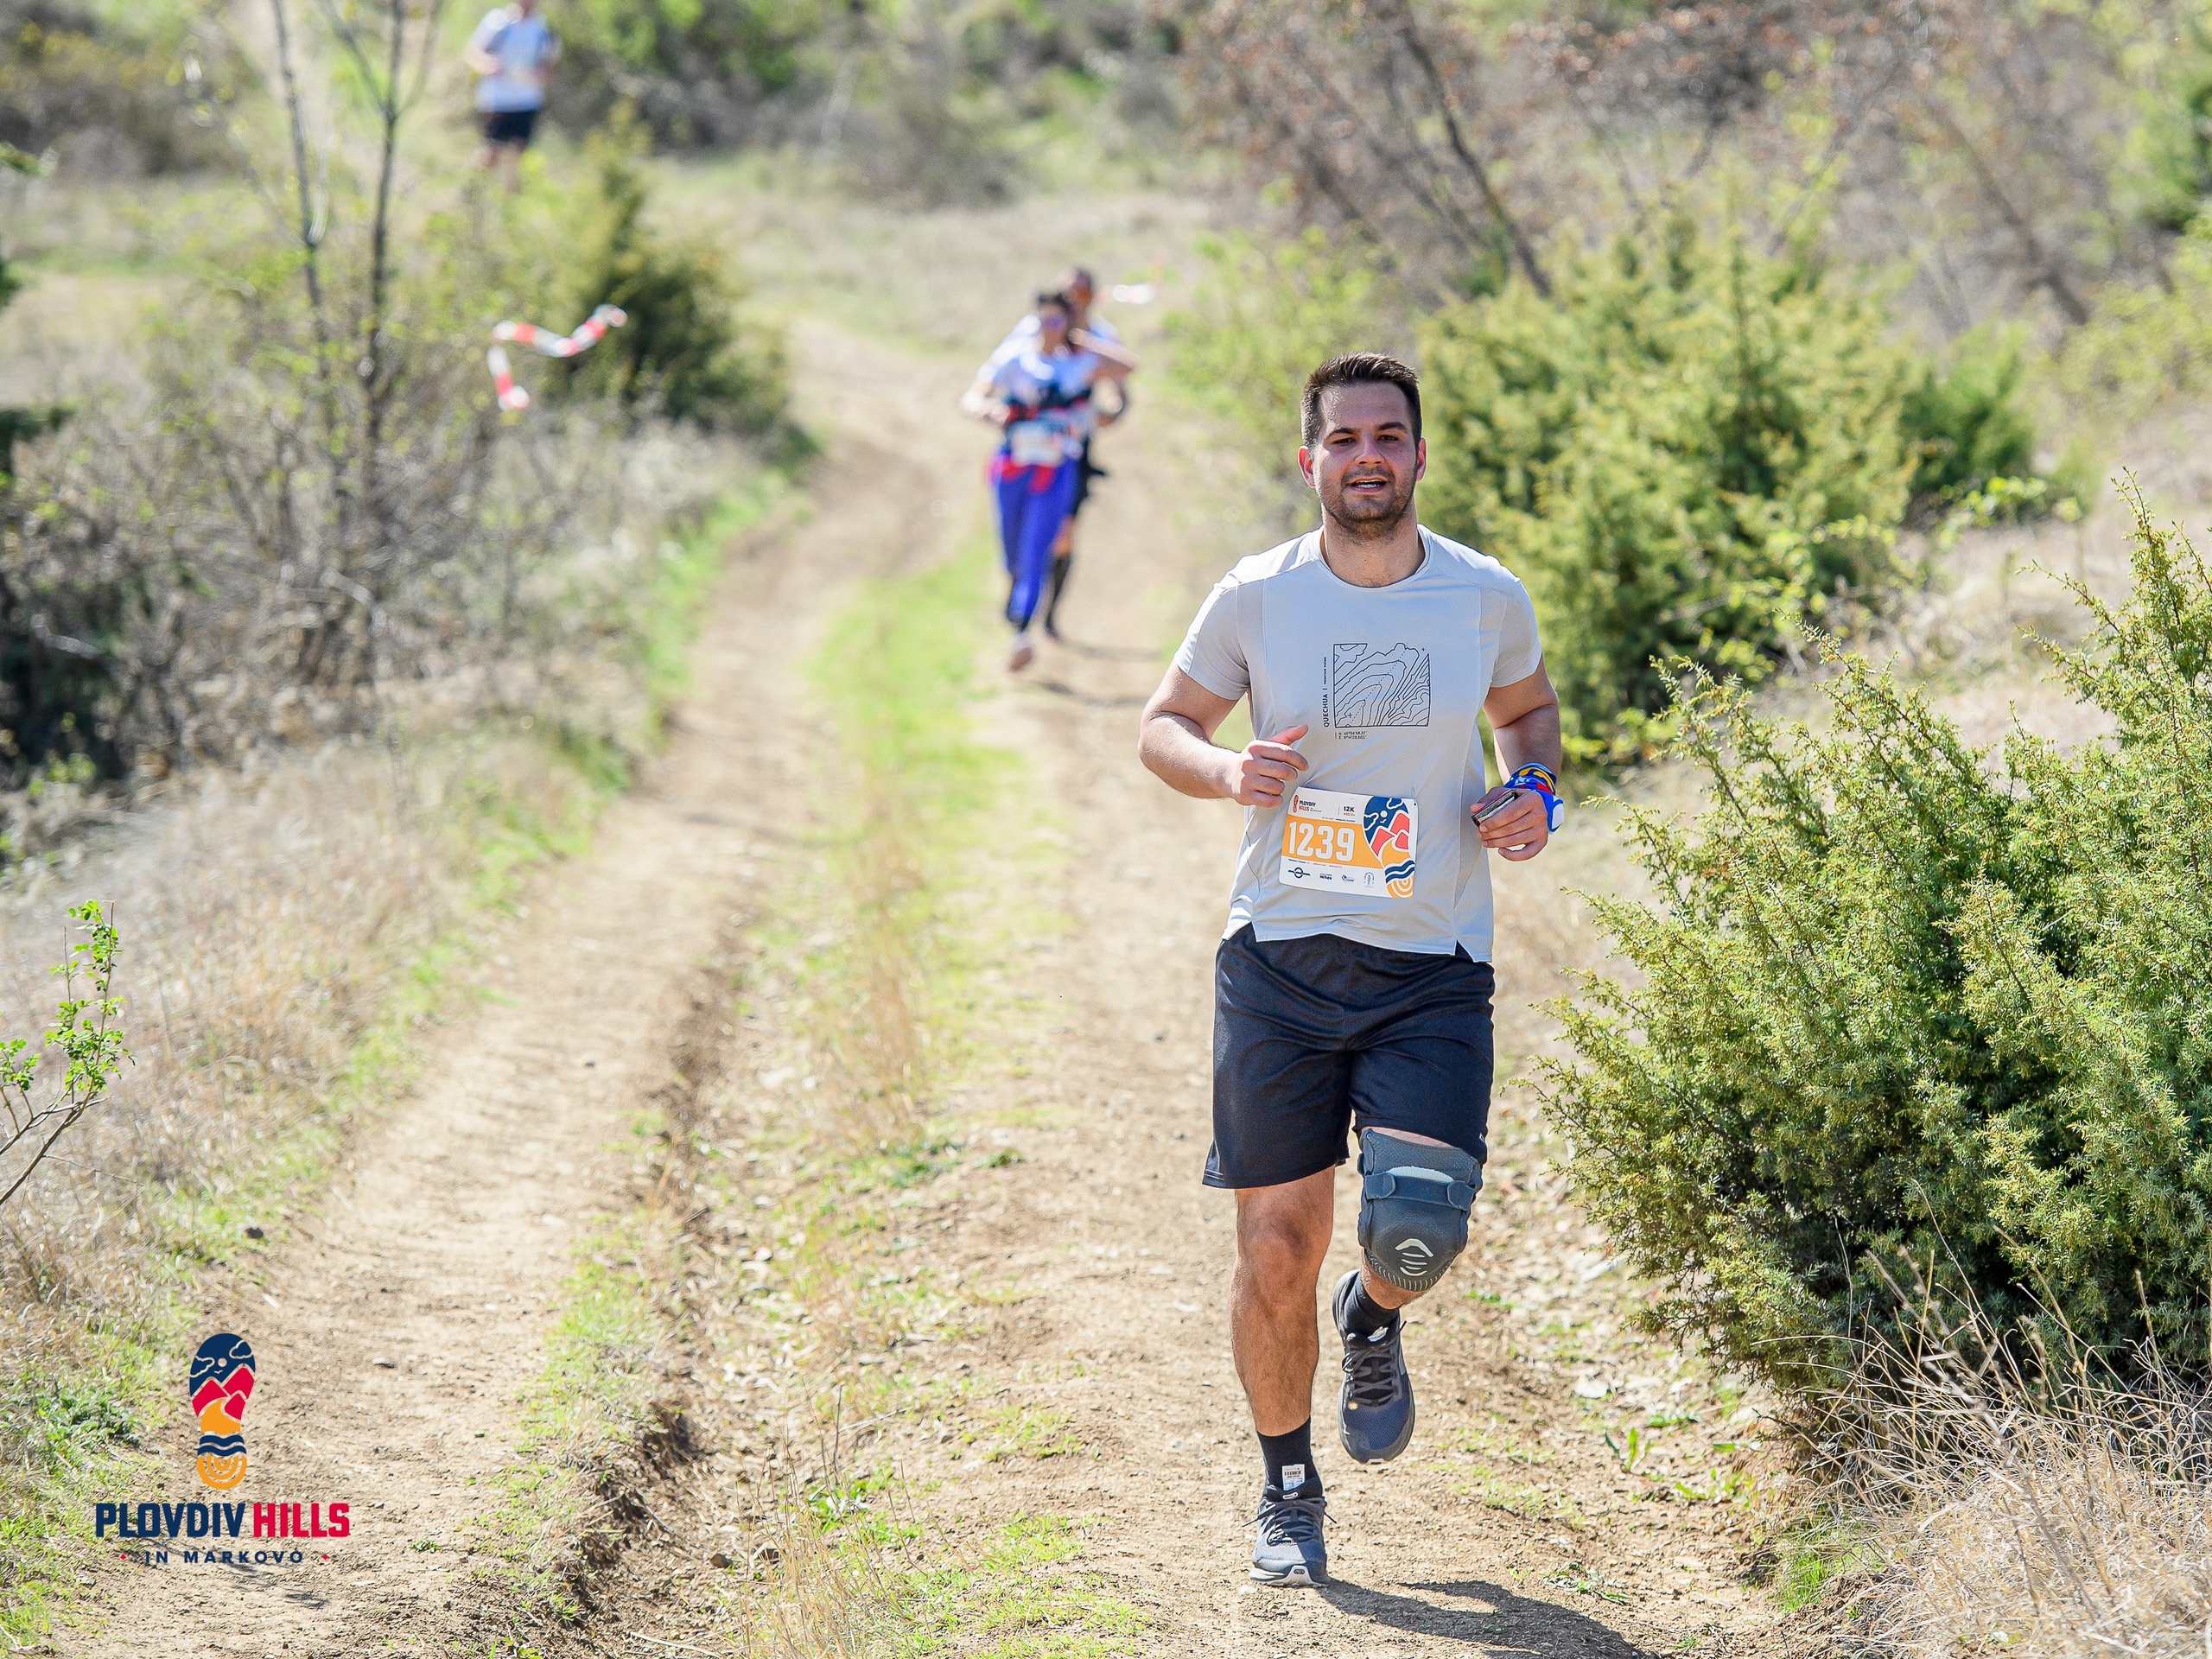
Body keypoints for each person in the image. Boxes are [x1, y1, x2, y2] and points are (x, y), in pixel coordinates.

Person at [1135, 353, 1564, 1587]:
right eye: (1344, 439)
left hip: (1432, 956)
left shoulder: (1485, 595)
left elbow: (1527, 715)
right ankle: (1285, 1483)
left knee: (1417, 1231)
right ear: (1310, 458)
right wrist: (1224, 772)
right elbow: (1162, 726)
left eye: (1390, 436)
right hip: (1277, 955)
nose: (1368, 456)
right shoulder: (1257, 594)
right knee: (1277, 1242)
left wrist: (1529, 789)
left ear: (1419, 456)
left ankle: (1374, 1315)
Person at [961, 290, 1128, 671]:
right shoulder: (1015, 357)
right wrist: (987, 410)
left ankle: (1022, 632)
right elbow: (972, 396)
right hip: (1013, 466)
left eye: (1057, 322)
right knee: (1012, 548)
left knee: (1038, 546)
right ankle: (1018, 605)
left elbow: (1128, 366)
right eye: (1044, 321)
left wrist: (1082, 338)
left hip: (1056, 470)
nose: (1049, 330)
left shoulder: (1080, 363)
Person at [465, 1, 561, 188]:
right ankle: (473, 188)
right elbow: (472, 53)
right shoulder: (497, 22)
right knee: (492, 152)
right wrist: (487, 65)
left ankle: (508, 199)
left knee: (518, 152)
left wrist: (541, 74)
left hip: (527, 100)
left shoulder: (543, 28)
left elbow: (548, 67)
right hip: (497, 99)